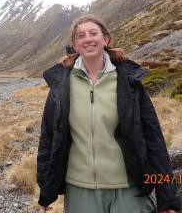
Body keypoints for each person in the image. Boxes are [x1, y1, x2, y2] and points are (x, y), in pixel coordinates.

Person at [37, 15, 181, 213]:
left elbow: (153, 138)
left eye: (93, 33)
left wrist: (168, 198)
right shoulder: (62, 84)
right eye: (81, 36)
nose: (88, 39)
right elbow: (48, 138)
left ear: (106, 39)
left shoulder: (128, 81)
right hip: (80, 189)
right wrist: (46, 192)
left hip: (128, 189)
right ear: (75, 45)